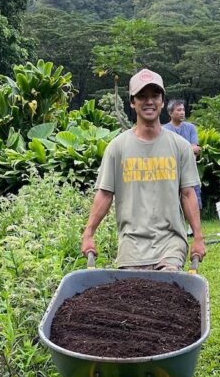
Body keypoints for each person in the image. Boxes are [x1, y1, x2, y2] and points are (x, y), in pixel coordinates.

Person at [80, 69, 206, 271]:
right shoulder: (117, 148)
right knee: (133, 299)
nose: (149, 101)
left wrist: (198, 237)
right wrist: (88, 234)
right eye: (142, 96)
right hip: (131, 245)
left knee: (167, 286)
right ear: (132, 102)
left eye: (155, 95)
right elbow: (104, 194)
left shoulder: (181, 146)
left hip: (171, 242)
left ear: (163, 101)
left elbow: (188, 193)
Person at [163, 99, 202, 208]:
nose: (182, 112)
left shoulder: (190, 127)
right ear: (171, 113)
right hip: (172, 172)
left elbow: (197, 149)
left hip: (190, 170)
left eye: (183, 110)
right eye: (179, 110)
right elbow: (166, 152)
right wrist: (189, 151)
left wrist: (181, 151)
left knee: (194, 200)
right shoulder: (164, 130)